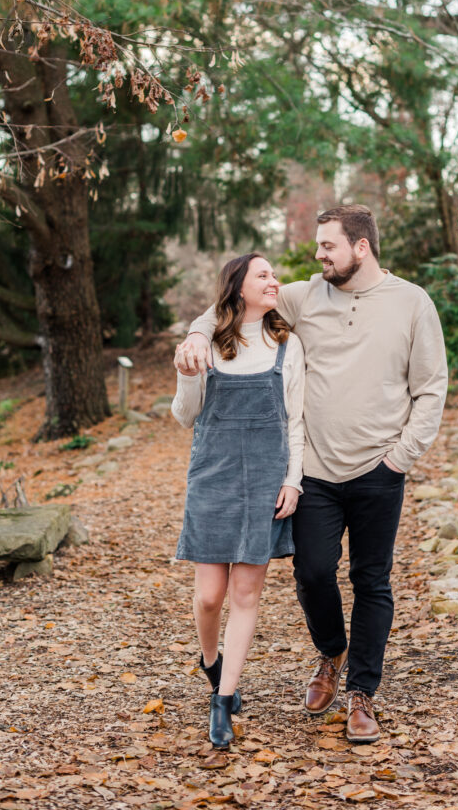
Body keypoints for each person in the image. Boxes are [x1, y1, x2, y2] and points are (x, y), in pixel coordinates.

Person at [175, 205, 448, 744]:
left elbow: (431, 388)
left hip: (379, 469)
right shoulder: (302, 295)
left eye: (328, 246)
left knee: (372, 582)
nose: (317, 255)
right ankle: (331, 651)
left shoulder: (412, 303)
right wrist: (195, 335)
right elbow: (229, 305)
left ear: (361, 247)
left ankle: (362, 694)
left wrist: (401, 457)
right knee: (313, 574)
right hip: (316, 474)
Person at [171, 252, 305, 749]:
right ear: (238, 286)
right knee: (209, 596)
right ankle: (211, 661)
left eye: (274, 274)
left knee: (246, 595)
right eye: (263, 275)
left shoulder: (286, 346)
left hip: (266, 481)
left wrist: (293, 481)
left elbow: (297, 422)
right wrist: (187, 373)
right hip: (212, 477)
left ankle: (223, 701)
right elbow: (185, 417)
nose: (275, 281)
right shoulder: (207, 345)